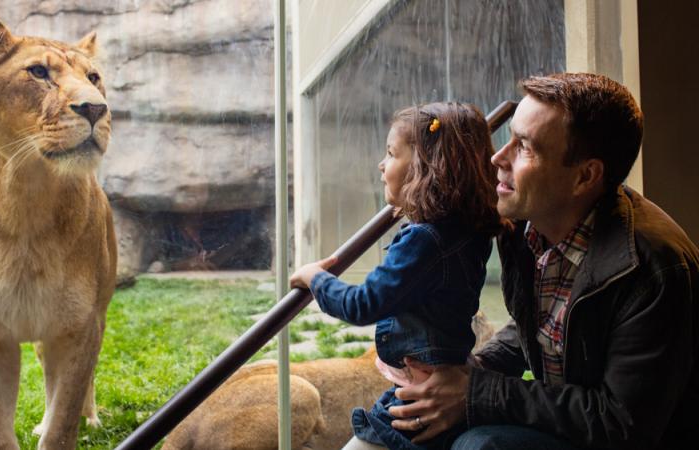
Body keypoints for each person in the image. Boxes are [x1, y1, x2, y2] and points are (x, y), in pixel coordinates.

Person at [387, 73, 699, 450]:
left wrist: (474, 392)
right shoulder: (524, 224)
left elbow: (620, 423)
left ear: (585, 176)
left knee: (481, 446)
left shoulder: (654, 269)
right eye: (508, 139)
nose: (497, 158)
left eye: (525, 147)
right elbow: (542, 329)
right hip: (572, 423)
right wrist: (462, 370)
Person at [290, 101, 504, 449]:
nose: (381, 163)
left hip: (419, 397)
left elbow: (363, 304)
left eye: (391, 153)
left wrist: (315, 280)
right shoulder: (467, 230)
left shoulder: (425, 241)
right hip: (434, 379)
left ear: (425, 169)